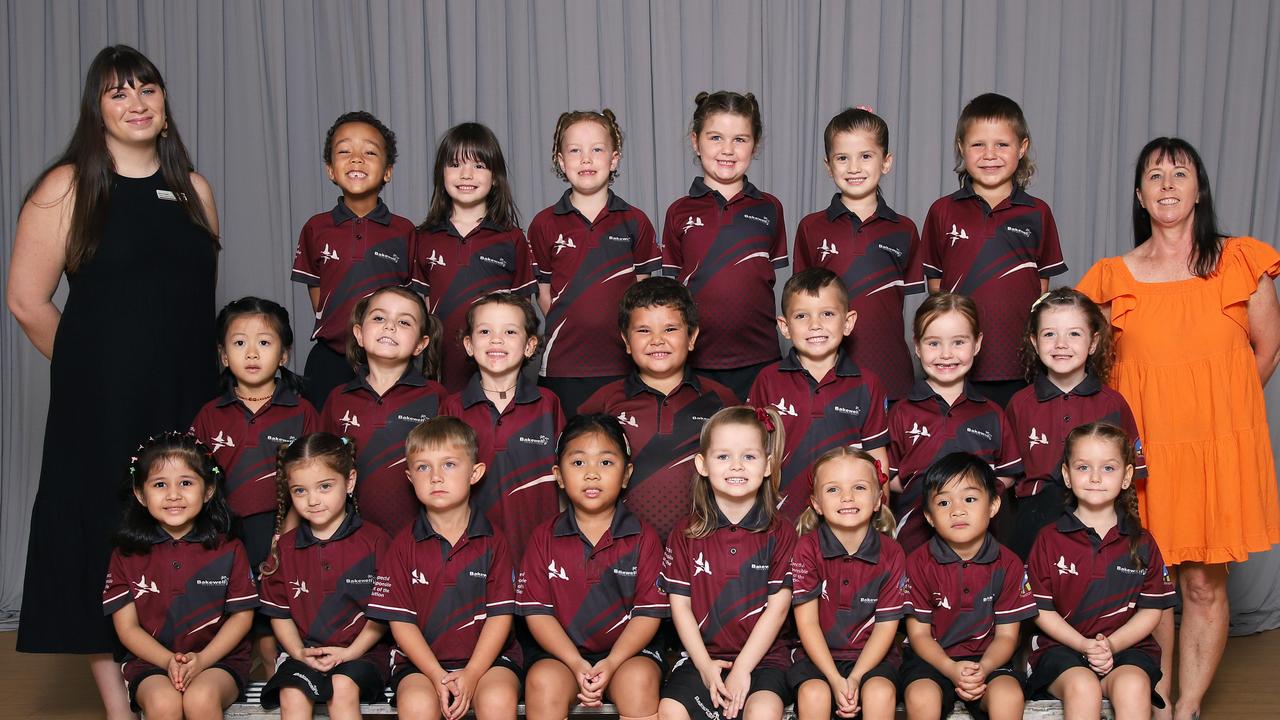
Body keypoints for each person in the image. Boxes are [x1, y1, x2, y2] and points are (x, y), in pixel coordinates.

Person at [8, 44, 220, 718]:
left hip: (188, 396)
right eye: (118, 93)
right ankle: (119, 704)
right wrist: (90, 371)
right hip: (98, 407)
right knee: (104, 539)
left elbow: (196, 304)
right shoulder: (68, 186)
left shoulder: (195, 189)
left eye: (147, 89)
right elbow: (26, 301)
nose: (136, 103)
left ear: (163, 104)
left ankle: (186, 677)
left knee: (186, 535)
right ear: (97, 109)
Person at [1077, 137, 1280, 720]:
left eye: (1180, 173)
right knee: (1150, 589)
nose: (1167, 185)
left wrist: (1222, 415)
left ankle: (1187, 706)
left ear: (1198, 190)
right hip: (1142, 456)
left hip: (1214, 450)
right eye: (1154, 176)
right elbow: (1077, 359)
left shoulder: (1239, 260)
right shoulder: (1112, 276)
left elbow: (1266, 349)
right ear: (1139, 196)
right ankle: (1156, 703)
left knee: (1203, 585)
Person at [192, 296, 320, 673]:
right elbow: (196, 483)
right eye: (239, 343)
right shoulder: (209, 415)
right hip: (224, 531)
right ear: (223, 354)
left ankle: (275, 685)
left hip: (284, 529)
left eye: (264, 342)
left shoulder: (301, 412)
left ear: (283, 355)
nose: (251, 353)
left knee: (273, 616)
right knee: (231, 614)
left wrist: (286, 539)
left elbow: (315, 481)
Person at [366, 417, 521, 720]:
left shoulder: (494, 541)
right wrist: (437, 675)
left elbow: (500, 616)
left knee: (498, 699)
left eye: (449, 464)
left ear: (475, 473)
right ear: (410, 478)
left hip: (489, 662)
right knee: (417, 705)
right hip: (421, 665)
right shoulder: (402, 546)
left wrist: (473, 674)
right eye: (424, 467)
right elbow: (400, 623)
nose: (436, 477)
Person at [517, 414, 668, 720]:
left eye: (606, 463)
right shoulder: (543, 537)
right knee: (542, 682)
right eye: (578, 463)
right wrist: (575, 663)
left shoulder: (644, 537)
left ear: (626, 474)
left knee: (639, 682)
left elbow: (648, 614)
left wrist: (612, 663)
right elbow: (537, 613)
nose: (592, 474)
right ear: (558, 475)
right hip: (562, 656)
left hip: (627, 656)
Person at [920, 93, 1066, 407]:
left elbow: (1040, 293)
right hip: (958, 367)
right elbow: (936, 290)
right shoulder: (942, 211)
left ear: (1022, 148)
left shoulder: (1038, 213)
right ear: (961, 147)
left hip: (1021, 366)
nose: (990, 155)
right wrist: (954, 342)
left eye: (1002, 144)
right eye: (978, 145)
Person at [1026, 423, 1176, 720]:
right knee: (1084, 687)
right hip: (1062, 650)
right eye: (1083, 467)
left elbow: (1151, 611)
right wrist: (1084, 646)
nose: (1095, 478)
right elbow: (1040, 610)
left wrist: (1111, 645)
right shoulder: (1048, 539)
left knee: (1133, 686)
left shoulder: (1143, 542)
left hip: (1125, 648)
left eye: (1108, 468)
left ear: (1127, 477)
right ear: (1067, 475)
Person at [102, 432, 258, 717]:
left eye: (186, 483)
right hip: (151, 663)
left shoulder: (229, 548)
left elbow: (242, 616)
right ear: (140, 493)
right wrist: (167, 661)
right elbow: (127, 628)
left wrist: (201, 660)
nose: (173, 495)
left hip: (218, 661)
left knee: (200, 698)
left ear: (208, 490)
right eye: (160, 484)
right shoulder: (125, 553)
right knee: (164, 703)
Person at [659, 406, 796, 720]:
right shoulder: (685, 533)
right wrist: (707, 668)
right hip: (702, 657)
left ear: (767, 465)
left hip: (763, 660)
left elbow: (778, 609)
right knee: (670, 711)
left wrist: (742, 670)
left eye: (749, 457)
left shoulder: (781, 531)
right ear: (702, 464)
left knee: (762, 713)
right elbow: (680, 607)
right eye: (723, 457)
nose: (736, 466)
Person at [579, 277, 738, 540]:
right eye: (643, 331)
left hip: (704, 547)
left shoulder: (722, 400)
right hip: (624, 548)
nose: (657, 340)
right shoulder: (603, 403)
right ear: (626, 340)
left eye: (670, 329)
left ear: (692, 337)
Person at [528, 109, 661, 416]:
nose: (585, 159)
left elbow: (642, 298)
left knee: (619, 454)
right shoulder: (544, 224)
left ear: (614, 159)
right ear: (561, 162)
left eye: (596, 149)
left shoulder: (635, 221)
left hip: (623, 364)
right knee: (567, 452)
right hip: (563, 365)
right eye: (575, 150)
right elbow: (545, 295)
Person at [662, 91, 788, 400]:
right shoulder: (679, 211)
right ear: (696, 141)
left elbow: (764, 278)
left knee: (759, 445)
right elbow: (673, 291)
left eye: (740, 139)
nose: (728, 150)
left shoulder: (770, 208)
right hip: (697, 359)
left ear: (754, 145)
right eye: (716, 137)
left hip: (760, 357)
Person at [793, 106, 924, 400]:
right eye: (843, 158)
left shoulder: (904, 230)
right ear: (828, 166)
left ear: (886, 162)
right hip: (824, 372)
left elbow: (908, 308)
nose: (854, 167)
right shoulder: (811, 228)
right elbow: (800, 305)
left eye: (865, 156)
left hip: (891, 374)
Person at [256, 433, 391, 718]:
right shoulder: (285, 548)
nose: (313, 500)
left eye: (325, 486)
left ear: (349, 481)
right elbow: (279, 615)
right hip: (305, 654)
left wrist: (349, 653)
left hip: (362, 654)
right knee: (292, 693)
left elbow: (383, 615)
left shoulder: (376, 541)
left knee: (341, 687)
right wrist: (298, 652)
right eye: (300, 491)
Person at [1004, 288, 1144, 559]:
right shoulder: (1019, 404)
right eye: (1049, 334)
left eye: (1074, 334)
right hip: (1034, 522)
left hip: (1099, 519)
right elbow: (1009, 475)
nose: (1061, 344)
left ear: (1093, 343)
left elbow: (1130, 478)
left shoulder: (1112, 404)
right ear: (1034, 342)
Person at [748, 268, 890, 525]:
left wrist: (880, 520)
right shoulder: (767, 380)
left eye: (827, 313)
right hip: (779, 521)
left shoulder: (867, 383)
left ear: (847, 322)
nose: (815, 325)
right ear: (785, 326)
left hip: (847, 522)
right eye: (802, 315)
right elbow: (751, 451)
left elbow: (876, 455)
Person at [292, 111, 415, 408]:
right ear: (331, 170)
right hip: (331, 358)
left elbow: (411, 298)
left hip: (390, 358)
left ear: (388, 171)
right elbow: (319, 295)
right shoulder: (316, 228)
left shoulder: (405, 231)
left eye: (369, 152)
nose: (356, 159)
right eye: (345, 151)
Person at [900, 453, 1037, 720]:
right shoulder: (917, 562)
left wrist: (984, 668)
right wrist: (950, 669)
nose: (957, 510)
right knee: (921, 696)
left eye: (970, 499)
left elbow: (1007, 637)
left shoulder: (1008, 564)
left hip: (989, 660)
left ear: (994, 505)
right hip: (933, 661)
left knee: (1008, 696)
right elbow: (919, 636)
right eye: (943, 502)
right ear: (929, 516)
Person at [888, 293, 1022, 553]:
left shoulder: (991, 413)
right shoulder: (901, 412)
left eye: (958, 342)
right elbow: (889, 474)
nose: (946, 354)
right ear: (917, 346)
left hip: (979, 547)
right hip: (914, 545)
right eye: (934, 343)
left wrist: (974, 494)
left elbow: (1008, 471)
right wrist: (925, 487)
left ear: (977, 343)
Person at [411, 122, 536, 392]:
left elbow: (521, 316)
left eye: (479, 165)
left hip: (497, 373)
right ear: (441, 174)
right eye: (455, 164)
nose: (466, 174)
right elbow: (423, 311)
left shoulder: (512, 239)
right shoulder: (423, 238)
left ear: (495, 177)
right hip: (439, 372)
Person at [440, 291, 564, 562]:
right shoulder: (452, 408)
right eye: (485, 331)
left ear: (530, 346)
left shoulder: (548, 404)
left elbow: (565, 481)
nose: (496, 339)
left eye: (510, 332)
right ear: (469, 345)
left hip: (538, 550)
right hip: (472, 550)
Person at [788, 448, 905, 720]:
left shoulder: (892, 552)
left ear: (878, 499)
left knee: (879, 693)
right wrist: (835, 678)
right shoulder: (806, 549)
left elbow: (886, 628)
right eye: (833, 490)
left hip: (872, 658)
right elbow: (807, 624)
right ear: (816, 503)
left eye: (860, 487)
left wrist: (856, 677)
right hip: (815, 658)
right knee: (814, 694)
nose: (847, 497)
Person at [320, 286, 446, 535]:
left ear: (420, 345)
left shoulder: (437, 398)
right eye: (379, 318)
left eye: (404, 322)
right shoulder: (338, 399)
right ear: (359, 333)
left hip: (421, 537)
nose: (390, 326)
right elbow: (318, 468)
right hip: (351, 537)